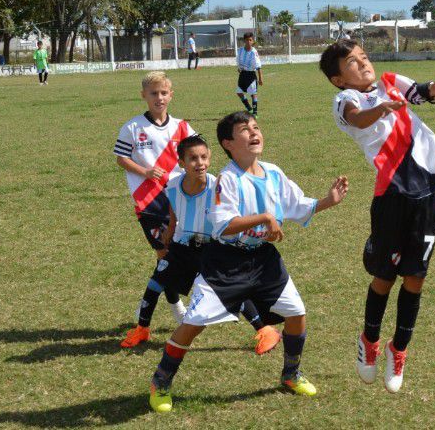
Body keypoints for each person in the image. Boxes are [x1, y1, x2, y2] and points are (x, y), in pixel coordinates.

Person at [147, 112, 349, 412]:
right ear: (228, 143)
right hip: (225, 262)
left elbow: (296, 205)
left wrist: (325, 202)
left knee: (297, 313)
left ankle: (291, 374)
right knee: (193, 324)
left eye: (256, 127)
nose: (255, 132)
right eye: (245, 130)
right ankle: (160, 382)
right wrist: (265, 218)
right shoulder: (226, 180)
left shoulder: (273, 173)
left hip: (264, 260)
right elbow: (221, 225)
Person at [319, 39, 435, 393]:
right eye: (352, 62)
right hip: (390, 196)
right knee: (385, 278)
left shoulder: (391, 81)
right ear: (338, 79)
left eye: (364, 56)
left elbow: (426, 92)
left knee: (416, 277)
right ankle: (370, 341)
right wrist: (382, 109)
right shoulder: (345, 101)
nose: (363, 63)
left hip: (425, 194)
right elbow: (357, 117)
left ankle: (399, 351)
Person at [155, 134, 281, 354]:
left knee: (229, 290)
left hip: (217, 248)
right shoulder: (176, 185)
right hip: (189, 247)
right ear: (182, 163)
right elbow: (175, 204)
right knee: (164, 280)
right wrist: (172, 227)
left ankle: (265, 329)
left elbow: (233, 215)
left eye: (204, 157)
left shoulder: (217, 185)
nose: (200, 163)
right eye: (194, 158)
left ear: (210, 158)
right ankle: (145, 326)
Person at [114, 71, 193, 348]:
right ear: (144, 96)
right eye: (153, 93)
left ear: (171, 95)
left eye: (163, 93)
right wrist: (145, 171)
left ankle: (163, 305)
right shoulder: (133, 127)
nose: (159, 98)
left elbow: (196, 155)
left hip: (177, 202)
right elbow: (121, 157)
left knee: (170, 257)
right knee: (165, 254)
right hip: (148, 202)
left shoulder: (183, 127)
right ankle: (173, 307)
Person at [236, 32, 263, 115]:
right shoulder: (240, 51)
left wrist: (260, 78)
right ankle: (249, 108)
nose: (248, 42)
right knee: (239, 92)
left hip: (251, 74)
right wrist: (240, 68)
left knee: (253, 94)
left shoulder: (254, 52)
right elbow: (238, 62)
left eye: (250, 40)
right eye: (247, 40)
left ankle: (255, 113)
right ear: (244, 41)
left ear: (253, 41)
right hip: (243, 74)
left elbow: (258, 66)